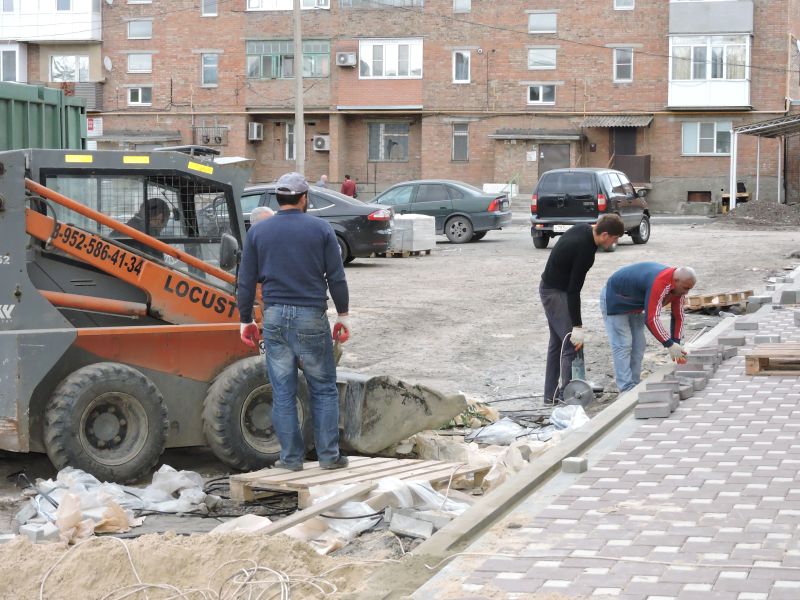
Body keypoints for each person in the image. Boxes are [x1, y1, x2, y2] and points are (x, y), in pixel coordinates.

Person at [237, 172, 351, 472]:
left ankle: (290, 460)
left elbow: (245, 282)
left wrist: (245, 320)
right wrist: (343, 315)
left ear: (278, 200)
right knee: (323, 387)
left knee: (283, 391)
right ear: (303, 199)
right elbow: (336, 277)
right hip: (311, 316)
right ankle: (328, 457)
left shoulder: (258, 233)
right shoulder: (321, 229)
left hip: (274, 317)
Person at [539, 214, 625, 404]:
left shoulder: (584, 228)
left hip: (550, 287)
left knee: (558, 344)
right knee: (572, 343)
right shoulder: (585, 250)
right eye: (614, 238)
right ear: (604, 234)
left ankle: (551, 395)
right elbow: (573, 290)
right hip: (555, 292)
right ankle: (568, 396)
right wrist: (577, 325)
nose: (614, 242)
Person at [601, 263, 696, 393]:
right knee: (623, 344)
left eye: (689, 289)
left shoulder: (678, 289)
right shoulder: (661, 283)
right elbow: (652, 319)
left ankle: (634, 384)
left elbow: (678, 316)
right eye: (685, 288)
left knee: (639, 344)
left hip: (635, 303)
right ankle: (626, 388)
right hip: (615, 298)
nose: (686, 292)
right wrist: (669, 344)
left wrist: (676, 344)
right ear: (676, 281)